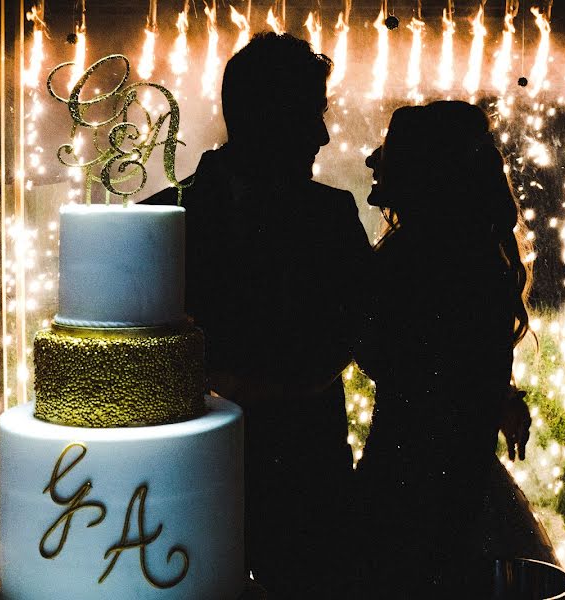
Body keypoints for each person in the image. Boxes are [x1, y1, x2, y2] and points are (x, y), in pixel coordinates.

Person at [145, 33, 371, 597]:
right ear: (267, 116)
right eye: (310, 115)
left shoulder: (331, 214)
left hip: (306, 488)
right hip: (194, 485)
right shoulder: (162, 221)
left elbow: (363, 332)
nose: (322, 135)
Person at [354, 101, 534, 597]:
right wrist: (499, 394)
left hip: (405, 485)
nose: (373, 159)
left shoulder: (409, 265)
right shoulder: (475, 262)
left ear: (423, 170)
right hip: (461, 480)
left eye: (389, 150)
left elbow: (423, 370)